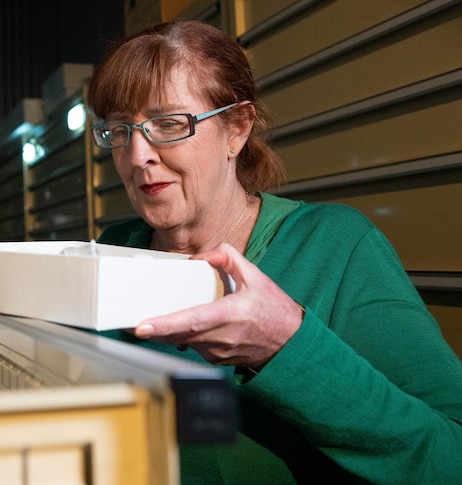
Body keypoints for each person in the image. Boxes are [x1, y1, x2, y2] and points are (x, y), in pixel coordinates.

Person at [86, 19, 462, 484]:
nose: (137, 154)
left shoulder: (335, 248)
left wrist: (286, 346)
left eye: (169, 124)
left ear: (236, 129)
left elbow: (450, 456)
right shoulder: (112, 249)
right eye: (119, 130)